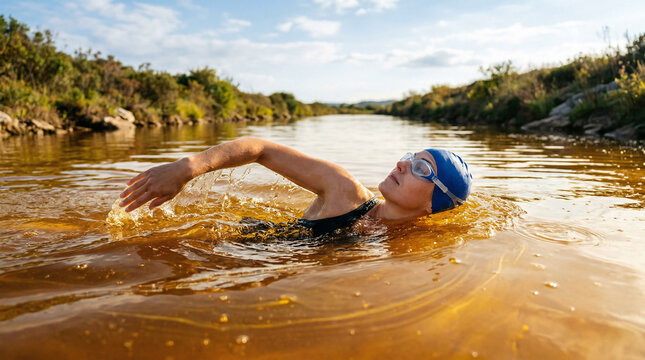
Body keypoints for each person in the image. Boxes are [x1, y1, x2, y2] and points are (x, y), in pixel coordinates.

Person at [119, 137, 472, 236]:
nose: (402, 163)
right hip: (239, 244)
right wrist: (189, 166)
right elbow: (262, 150)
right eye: (410, 156)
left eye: (421, 168)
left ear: (434, 204)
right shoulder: (344, 191)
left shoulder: (418, 244)